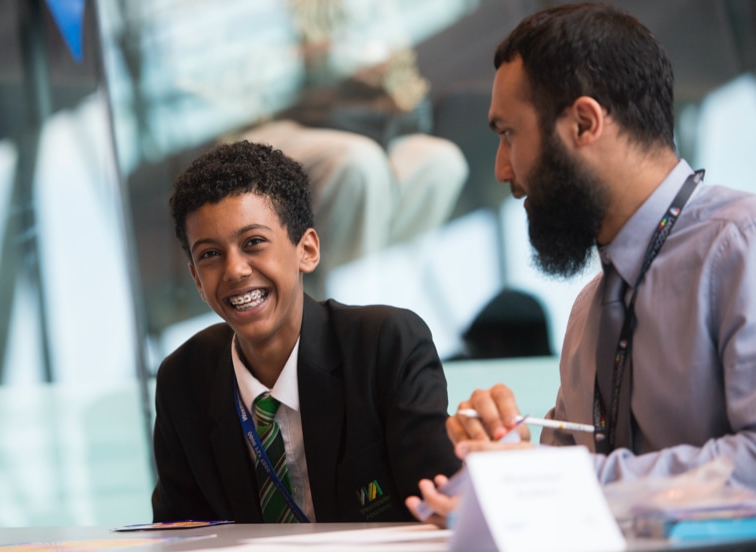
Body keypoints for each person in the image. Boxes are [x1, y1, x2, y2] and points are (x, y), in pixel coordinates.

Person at [406, 1, 756, 522]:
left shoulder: (741, 249)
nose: (504, 170)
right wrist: (499, 469)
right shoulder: (591, 306)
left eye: (508, 134)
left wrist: (567, 480)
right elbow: (571, 479)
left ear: (584, 123)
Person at [152, 140, 460, 523]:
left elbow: (443, 502)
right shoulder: (183, 382)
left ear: (307, 250)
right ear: (197, 279)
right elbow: (179, 532)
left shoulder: (385, 345)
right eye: (210, 254)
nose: (234, 270)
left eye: (253, 243)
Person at [241, 0, 468, 297]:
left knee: (440, 163)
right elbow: (247, 68)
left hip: (357, 124)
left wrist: (384, 80)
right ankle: (345, 311)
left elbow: (403, 75)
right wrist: (323, 57)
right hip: (269, 121)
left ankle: (390, 303)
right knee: (357, 164)